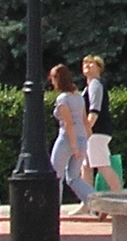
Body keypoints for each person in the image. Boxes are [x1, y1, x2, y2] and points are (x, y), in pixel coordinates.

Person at [48, 63, 104, 219]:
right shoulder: (78, 96)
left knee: (55, 176)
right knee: (73, 178)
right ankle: (98, 202)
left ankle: (52, 210)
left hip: (67, 139)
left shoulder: (63, 99)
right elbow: (85, 121)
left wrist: (73, 146)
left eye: (53, 79)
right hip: (82, 139)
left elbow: (68, 124)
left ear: (58, 79)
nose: (52, 83)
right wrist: (85, 141)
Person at [80, 54, 123, 193]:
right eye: (85, 63)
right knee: (86, 166)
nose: (87, 65)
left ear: (99, 68)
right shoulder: (90, 86)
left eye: (91, 63)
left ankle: (119, 197)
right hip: (94, 132)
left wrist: (86, 130)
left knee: (102, 165)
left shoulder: (95, 84)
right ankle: (87, 202)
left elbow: (94, 110)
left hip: (96, 132)